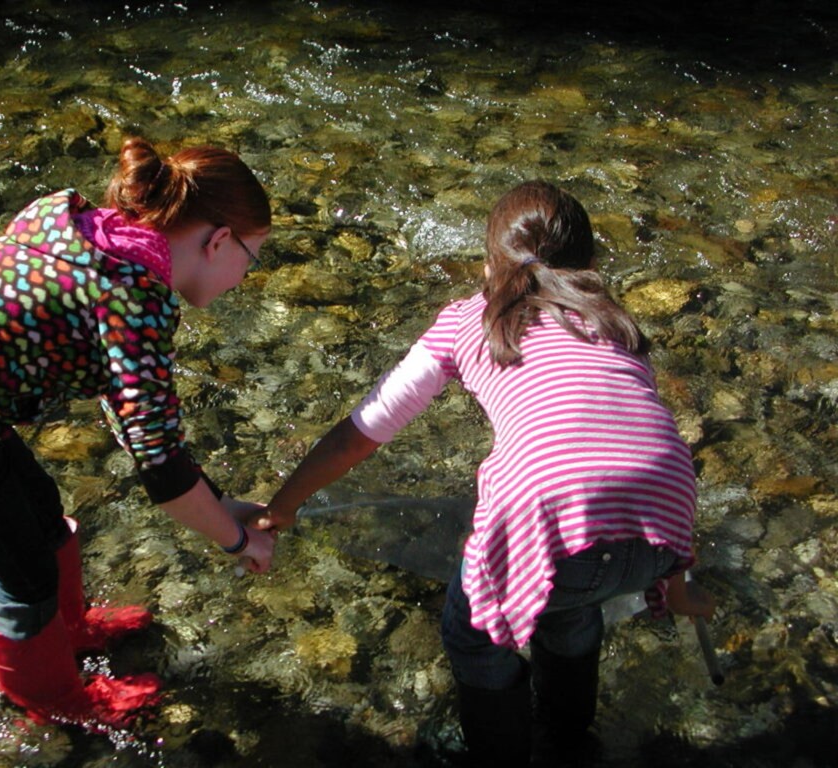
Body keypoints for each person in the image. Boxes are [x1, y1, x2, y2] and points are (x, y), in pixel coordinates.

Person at [256, 181, 715, 765]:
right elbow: (639, 448)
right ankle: (569, 740)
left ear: (487, 265)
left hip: (546, 506)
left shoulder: (465, 321)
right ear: (593, 263)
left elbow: (362, 432)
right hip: (663, 524)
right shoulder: (616, 323)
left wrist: (285, 503)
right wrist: (674, 586)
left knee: (473, 633)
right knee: (572, 603)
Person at [0, 136, 276, 732]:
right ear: (219, 240)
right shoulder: (133, 301)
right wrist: (235, 540)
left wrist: (222, 502)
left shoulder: (94, 237)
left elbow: (138, 422)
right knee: (23, 574)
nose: (244, 279)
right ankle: (50, 701)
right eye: (252, 261)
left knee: (41, 512)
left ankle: (66, 630)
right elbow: (163, 472)